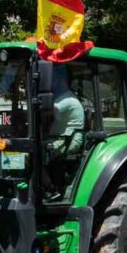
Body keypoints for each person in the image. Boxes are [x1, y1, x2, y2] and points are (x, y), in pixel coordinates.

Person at [44, 67, 85, 198]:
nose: (50, 83)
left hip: (67, 141)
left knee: (35, 156)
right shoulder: (61, 98)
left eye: (52, 79)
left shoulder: (67, 100)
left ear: (60, 80)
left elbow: (46, 112)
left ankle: (51, 189)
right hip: (59, 139)